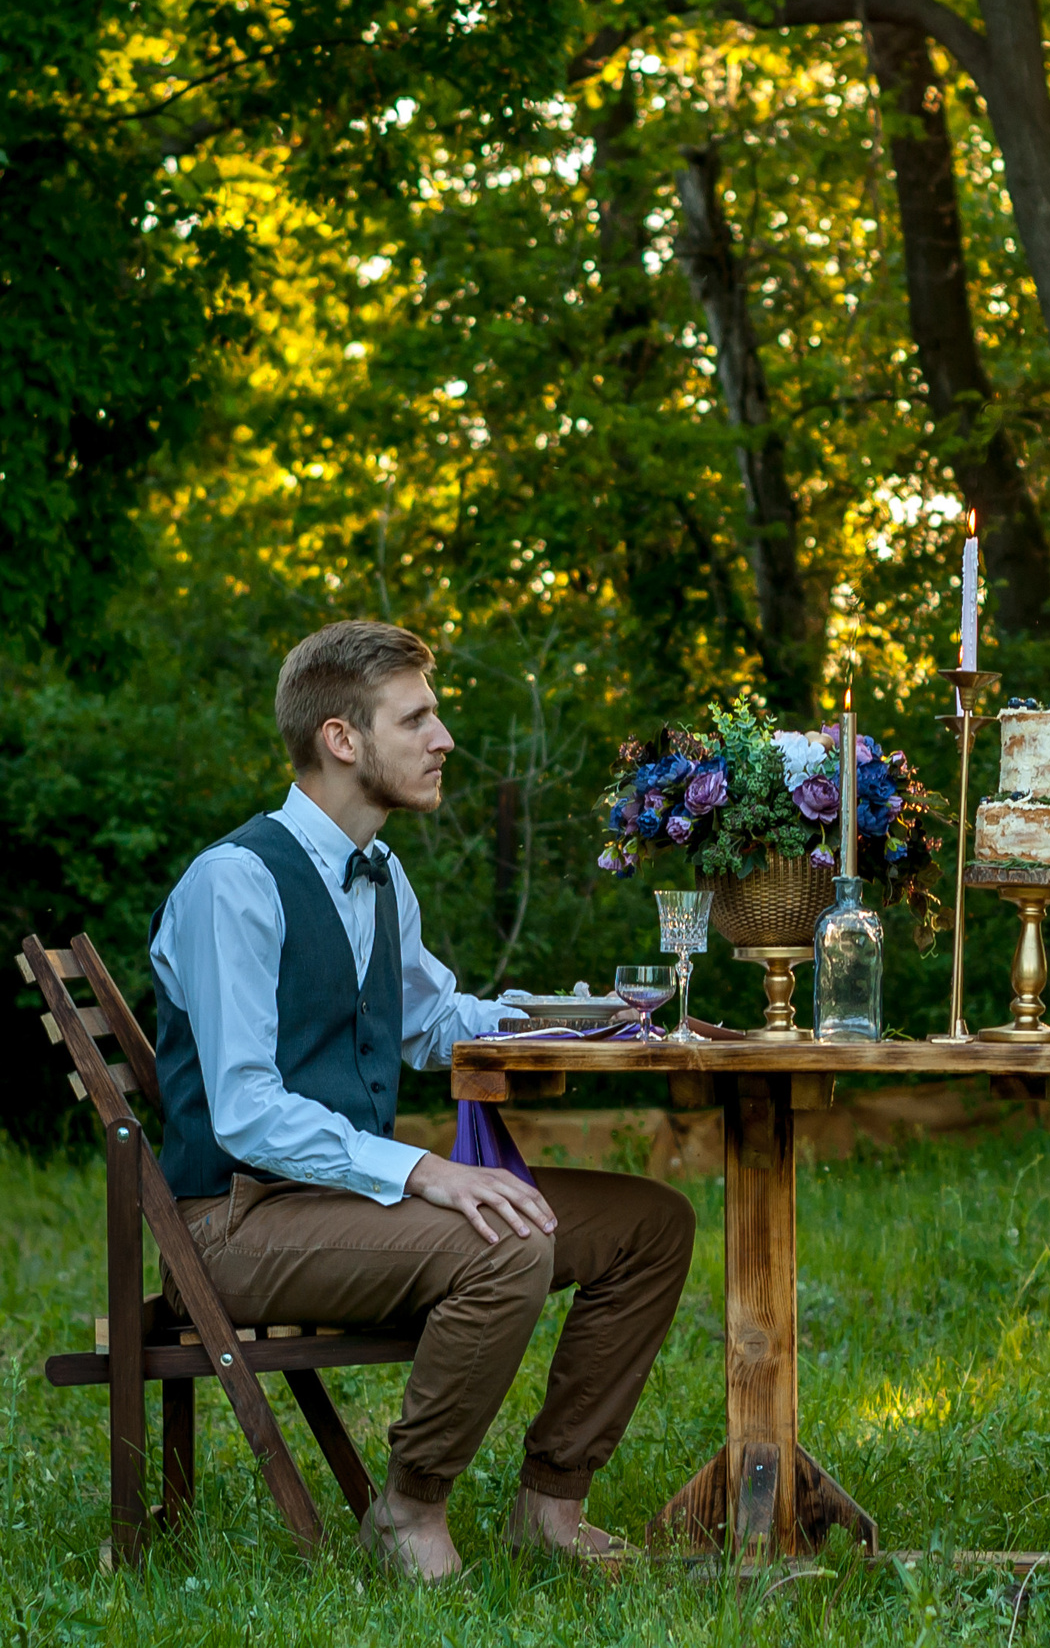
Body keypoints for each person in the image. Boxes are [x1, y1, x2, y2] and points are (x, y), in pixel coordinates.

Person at [149, 619, 695, 1581]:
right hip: (234, 1224)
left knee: (648, 1226)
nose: (444, 739)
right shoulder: (233, 883)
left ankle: (551, 1511)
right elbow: (243, 1109)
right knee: (509, 1241)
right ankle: (406, 1512)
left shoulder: (380, 873)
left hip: (336, 1205)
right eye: (419, 718)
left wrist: (575, 1016)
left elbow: (433, 1020)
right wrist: (426, 1171)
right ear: (341, 738)